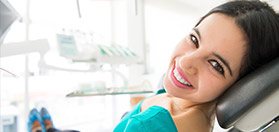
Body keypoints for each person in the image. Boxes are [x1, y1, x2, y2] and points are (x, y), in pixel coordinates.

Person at [114, 0, 279, 132]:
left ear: (240, 87)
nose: (186, 62)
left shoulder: (148, 126)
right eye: (194, 39)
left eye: (215, 65)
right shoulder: (182, 102)